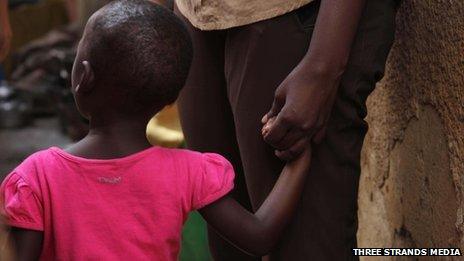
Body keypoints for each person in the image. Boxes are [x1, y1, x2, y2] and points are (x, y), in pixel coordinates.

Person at [0, 1, 311, 260]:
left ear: (82, 76)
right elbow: (260, 235)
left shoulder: (37, 178)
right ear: (170, 101)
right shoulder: (189, 173)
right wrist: (301, 154)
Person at [174, 0, 398, 260]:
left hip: (295, 15)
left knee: (302, 246)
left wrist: (322, 65)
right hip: (198, 14)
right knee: (230, 247)